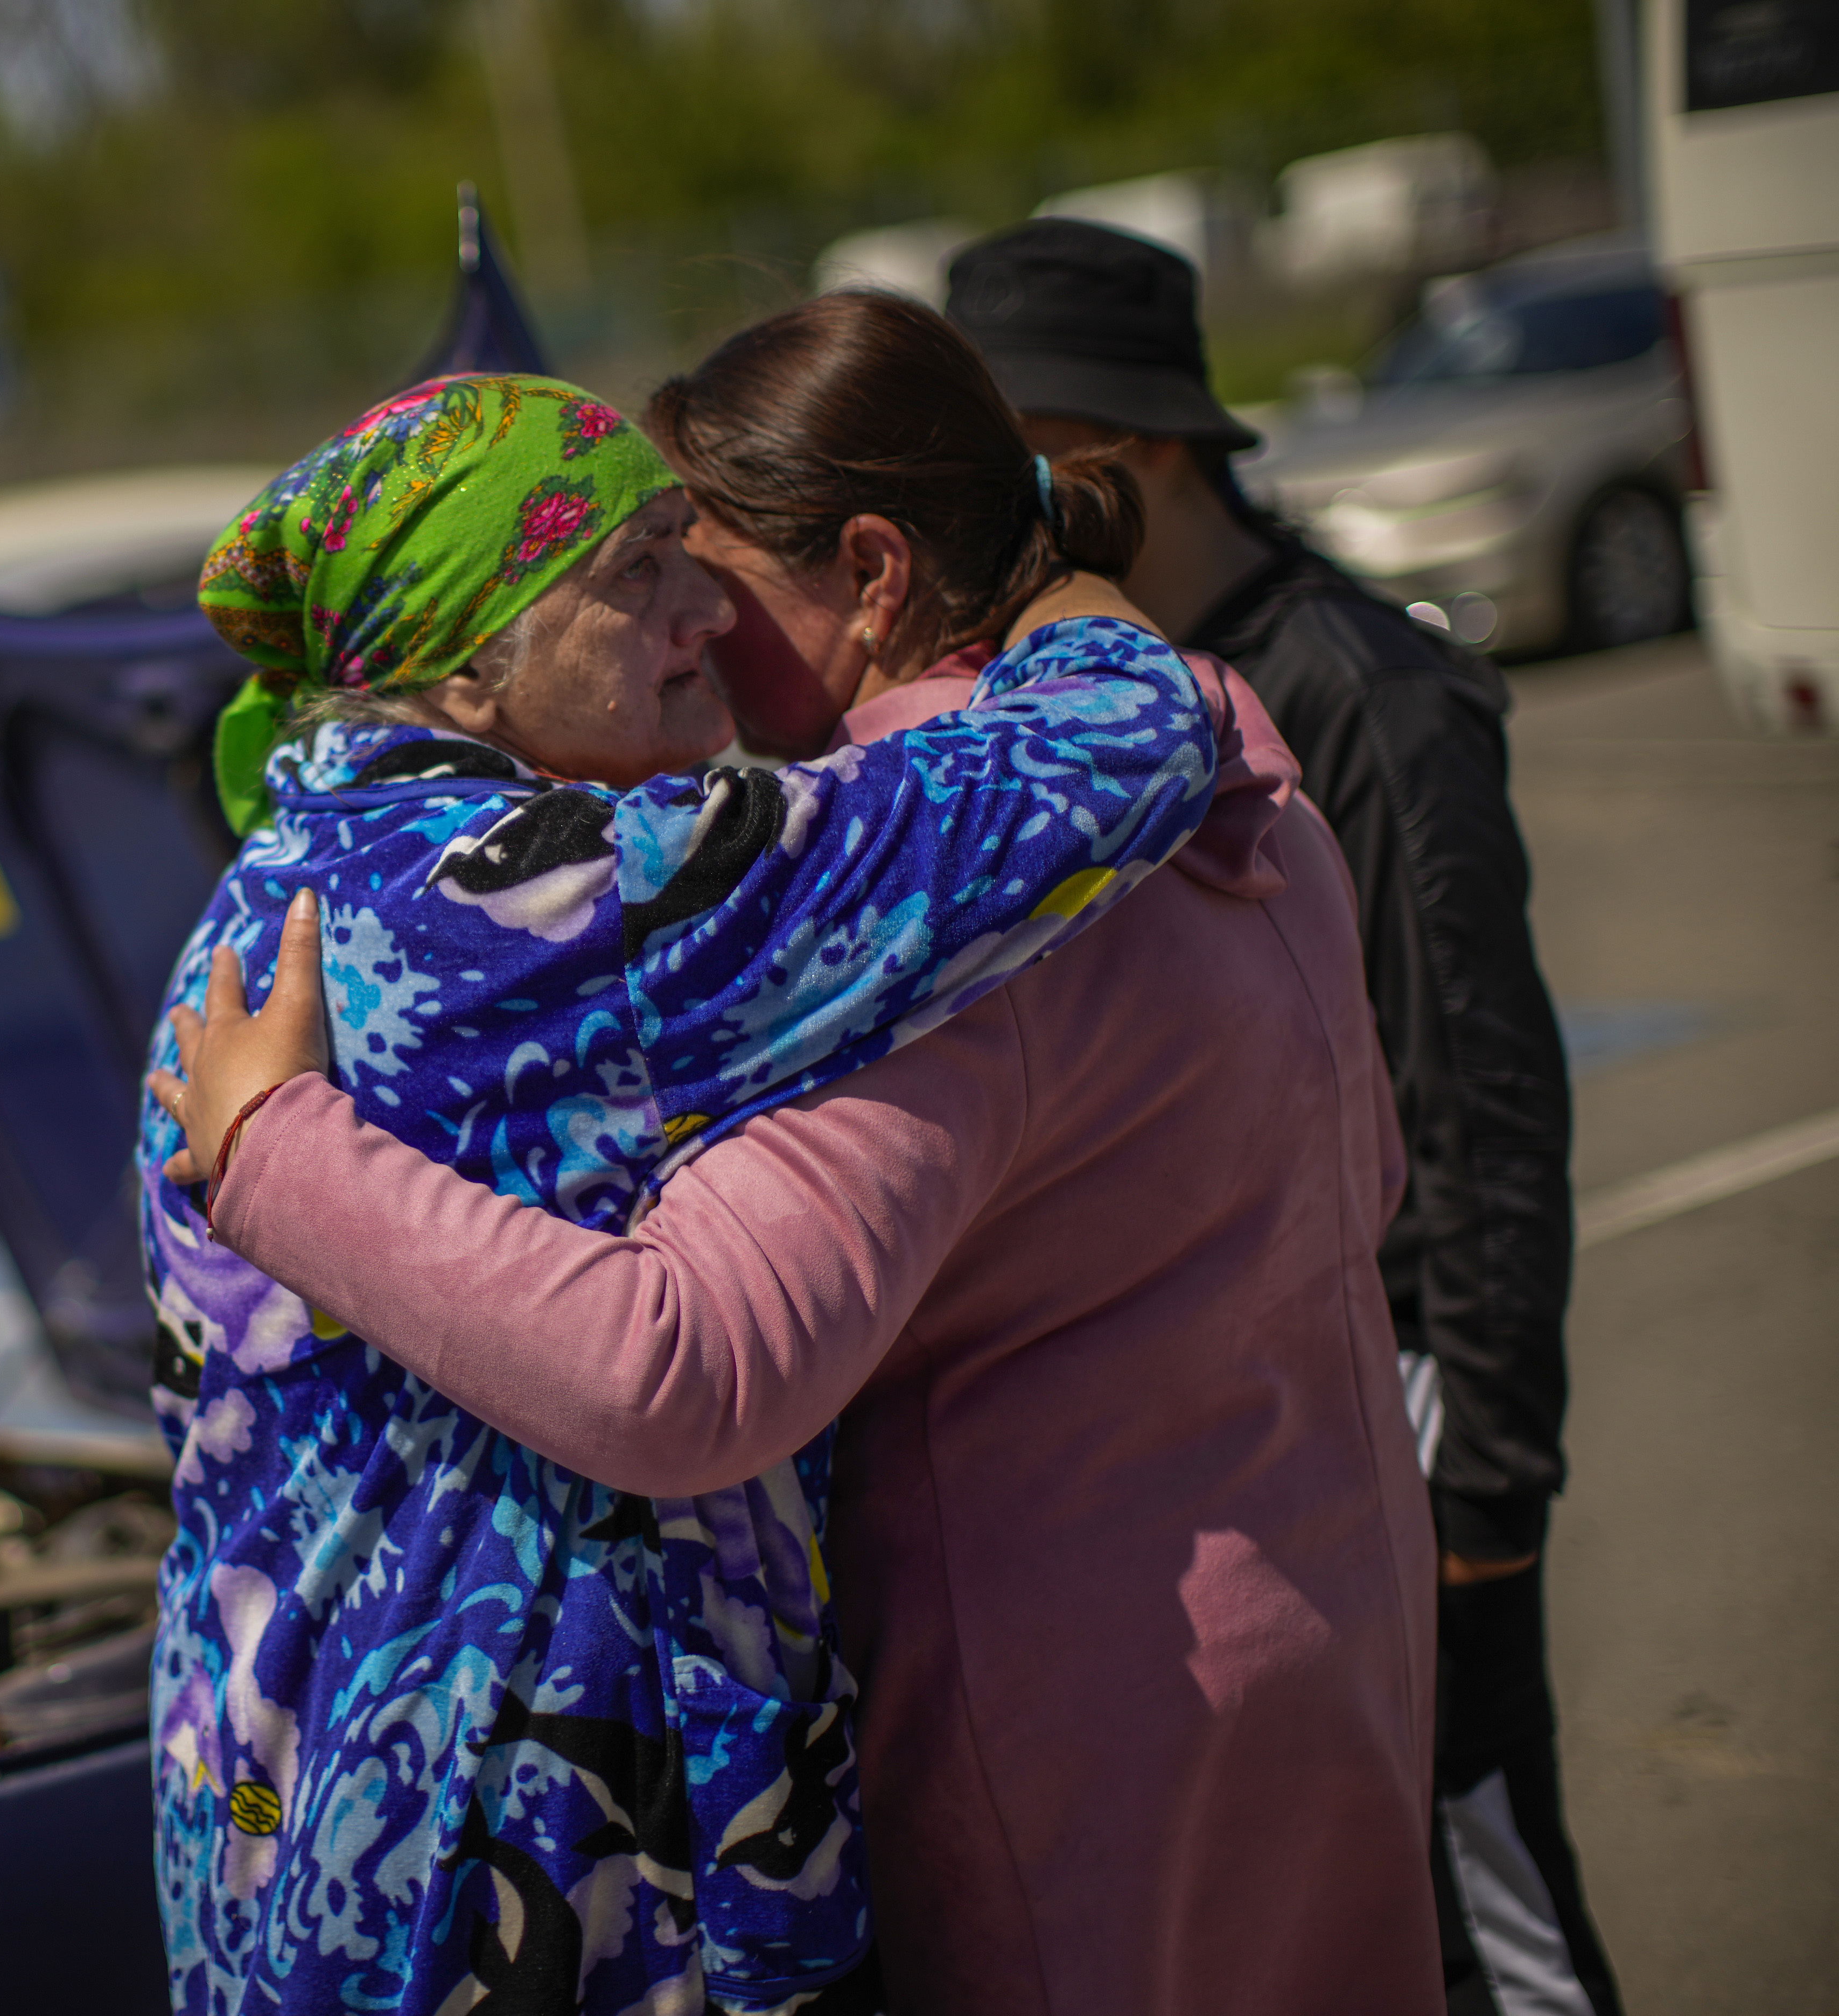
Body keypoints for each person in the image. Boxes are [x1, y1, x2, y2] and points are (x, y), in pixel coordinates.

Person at [150, 296, 1447, 2016]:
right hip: (489, 1829)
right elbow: (1363, 1168)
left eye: (706, 567)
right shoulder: (569, 891)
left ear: (875, 574)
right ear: (467, 665)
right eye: (642, 577)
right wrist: (1139, 651)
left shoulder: (908, 941)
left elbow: (686, 1363)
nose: (698, 618)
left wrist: (280, 1152)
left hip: (1062, 1745)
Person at [945, 219, 1616, 2016]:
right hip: (1264, 1423)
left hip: (1404, 1395)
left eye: (1008, 456)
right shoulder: (1090, 700)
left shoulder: (1356, 693)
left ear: (1130, 451)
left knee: (1484, 1898)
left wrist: (1488, 1496)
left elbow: (1484, 1117)